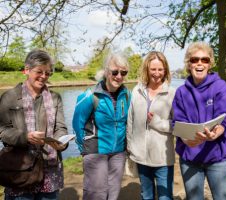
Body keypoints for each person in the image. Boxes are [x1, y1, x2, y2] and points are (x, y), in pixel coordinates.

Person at [0, 49, 68, 200]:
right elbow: (2, 130)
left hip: (50, 171)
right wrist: (25, 137)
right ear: (26, 70)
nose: (44, 76)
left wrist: (61, 142)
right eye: (39, 71)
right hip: (20, 170)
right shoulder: (9, 97)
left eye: (48, 73)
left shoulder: (55, 98)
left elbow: (61, 127)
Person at [172, 42, 226, 200]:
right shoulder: (181, 92)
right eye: (195, 60)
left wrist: (217, 132)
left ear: (210, 63)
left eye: (204, 60)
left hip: (217, 158)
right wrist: (186, 140)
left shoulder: (221, 87)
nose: (199, 63)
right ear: (189, 63)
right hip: (190, 159)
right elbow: (177, 122)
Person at [72, 52, 131, 200]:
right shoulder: (90, 95)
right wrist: (85, 148)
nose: (119, 76)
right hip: (95, 150)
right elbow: (77, 123)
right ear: (106, 71)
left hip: (118, 151)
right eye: (115, 72)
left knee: (113, 193)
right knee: (96, 193)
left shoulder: (127, 95)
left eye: (123, 72)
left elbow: (129, 121)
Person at [127, 51, 176, 200]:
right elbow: (130, 121)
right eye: (153, 69)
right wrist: (130, 147)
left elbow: (177, 126)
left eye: (160, 69)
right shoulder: (136, 91)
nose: (156, 73)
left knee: (165, 197)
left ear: (165, 70)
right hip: (141, 157)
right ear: (147, 69)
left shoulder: (172, 93)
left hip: (163, 158)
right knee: (146, 196)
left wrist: (157, 123)